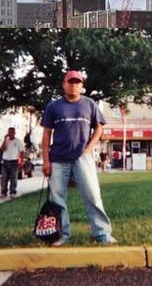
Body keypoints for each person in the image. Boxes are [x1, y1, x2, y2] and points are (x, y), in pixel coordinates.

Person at [41, 70, 117, 247]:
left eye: (77, 82)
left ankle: (102, 234)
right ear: (64, 84)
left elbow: (99, 128)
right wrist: (46, 161)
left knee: (92, 195)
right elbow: (46, 135)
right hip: (58, 158)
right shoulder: (53, 106)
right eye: (70, 82)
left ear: (82, 86)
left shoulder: (89, 104)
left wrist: (89, 148)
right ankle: (61, 234)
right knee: (57, 198)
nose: (74, 85)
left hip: (82, 158)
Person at [0, 127, 25, 199]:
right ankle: (3, 192)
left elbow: (22, 152)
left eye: (12, 132)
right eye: (9, 132)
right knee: (4, 178)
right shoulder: (6, 141)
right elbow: (2, 149)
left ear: (14, 133)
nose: (10, 134)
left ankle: (12, 192)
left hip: (14, 161)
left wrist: (21, 161)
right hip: (5, 161)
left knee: (14, 178)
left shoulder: (18, 141)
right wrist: (4, 139)